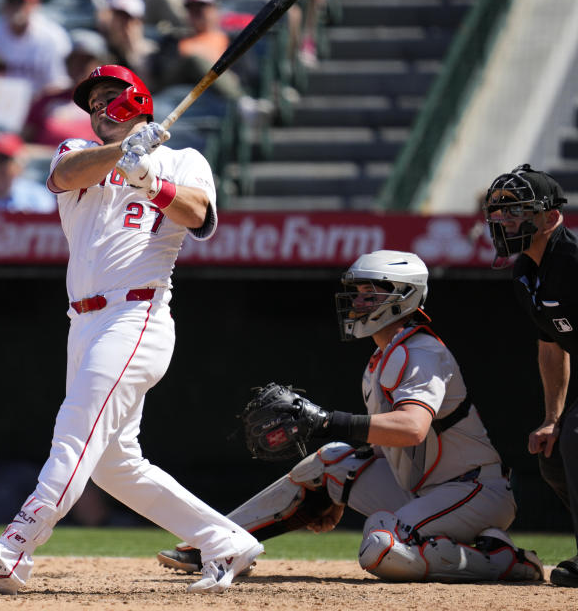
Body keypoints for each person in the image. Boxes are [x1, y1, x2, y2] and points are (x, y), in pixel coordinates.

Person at [0, 64, 263, 595]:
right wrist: (124, 154)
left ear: (137, 98)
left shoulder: (184, 160)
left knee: (74, 431)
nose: (97, 110)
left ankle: (12, 551)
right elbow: (65, 178)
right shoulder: (76, 153)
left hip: (137, 316)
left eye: (108, 98)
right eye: (92, 104)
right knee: (115, 465)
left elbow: (199, 215)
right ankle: (224, 540)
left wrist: (151, 179)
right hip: (84, 321)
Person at [157, 249, 545, 584]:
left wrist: (327, 420)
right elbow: (388, 445)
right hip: (424, 489)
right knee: (332, 461)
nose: (358, 301)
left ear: (402, 296)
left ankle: (503, 559)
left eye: (369, 292)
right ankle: (221, 543)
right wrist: (336, 491)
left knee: (380, 547)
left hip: (473, 491)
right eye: (357, 292)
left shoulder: (421, 351)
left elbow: (412, 428)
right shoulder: (383, 357)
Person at [483, 164, 578, 588]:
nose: (503, 221)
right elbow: (551, 344)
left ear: (551, 217)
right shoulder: (525, 273)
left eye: (516, 211)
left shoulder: (573, 261)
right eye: (498, 213)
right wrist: (552, 416)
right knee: (555, 455)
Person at [22, 28, 108, 148]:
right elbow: (23, 142)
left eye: (87, 61)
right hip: (46, 163)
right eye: (75, 60)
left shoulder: (111, 104)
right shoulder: (46, 100)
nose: (80, 66)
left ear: (100, 65)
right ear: (67, 64)